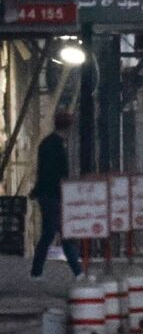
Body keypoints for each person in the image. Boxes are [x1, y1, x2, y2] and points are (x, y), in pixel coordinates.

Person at [30, 112, 82, 280]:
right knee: (59, 232)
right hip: (55, 195)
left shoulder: (45, 143)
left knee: (50, 233)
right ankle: (77, 272)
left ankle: (37, 272)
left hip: (46, 193)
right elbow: (59, 173)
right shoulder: (58, 146)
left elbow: (42, 171)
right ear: (68, 127)